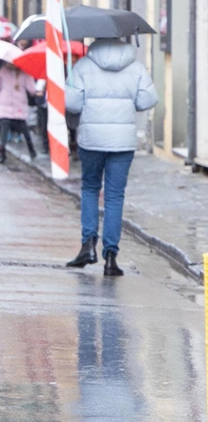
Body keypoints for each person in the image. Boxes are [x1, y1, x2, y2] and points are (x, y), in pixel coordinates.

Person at [64, 38, 158, 276]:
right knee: (115, 196)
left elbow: (72, 104)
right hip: (122, 141)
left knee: (90, 189)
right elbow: (148, 99)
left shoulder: (84, 65)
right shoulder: (135, 67)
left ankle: (88, 245)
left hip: (91, 139)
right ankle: (110, 257)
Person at [0, 61, 37, 163]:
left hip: (18, 107)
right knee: (4, 132)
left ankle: (32, 151)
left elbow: (32, 90)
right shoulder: (3, 71)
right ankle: (2, 153)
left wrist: (30, 78)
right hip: (5, 106)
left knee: (24, 131)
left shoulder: (25, 73)